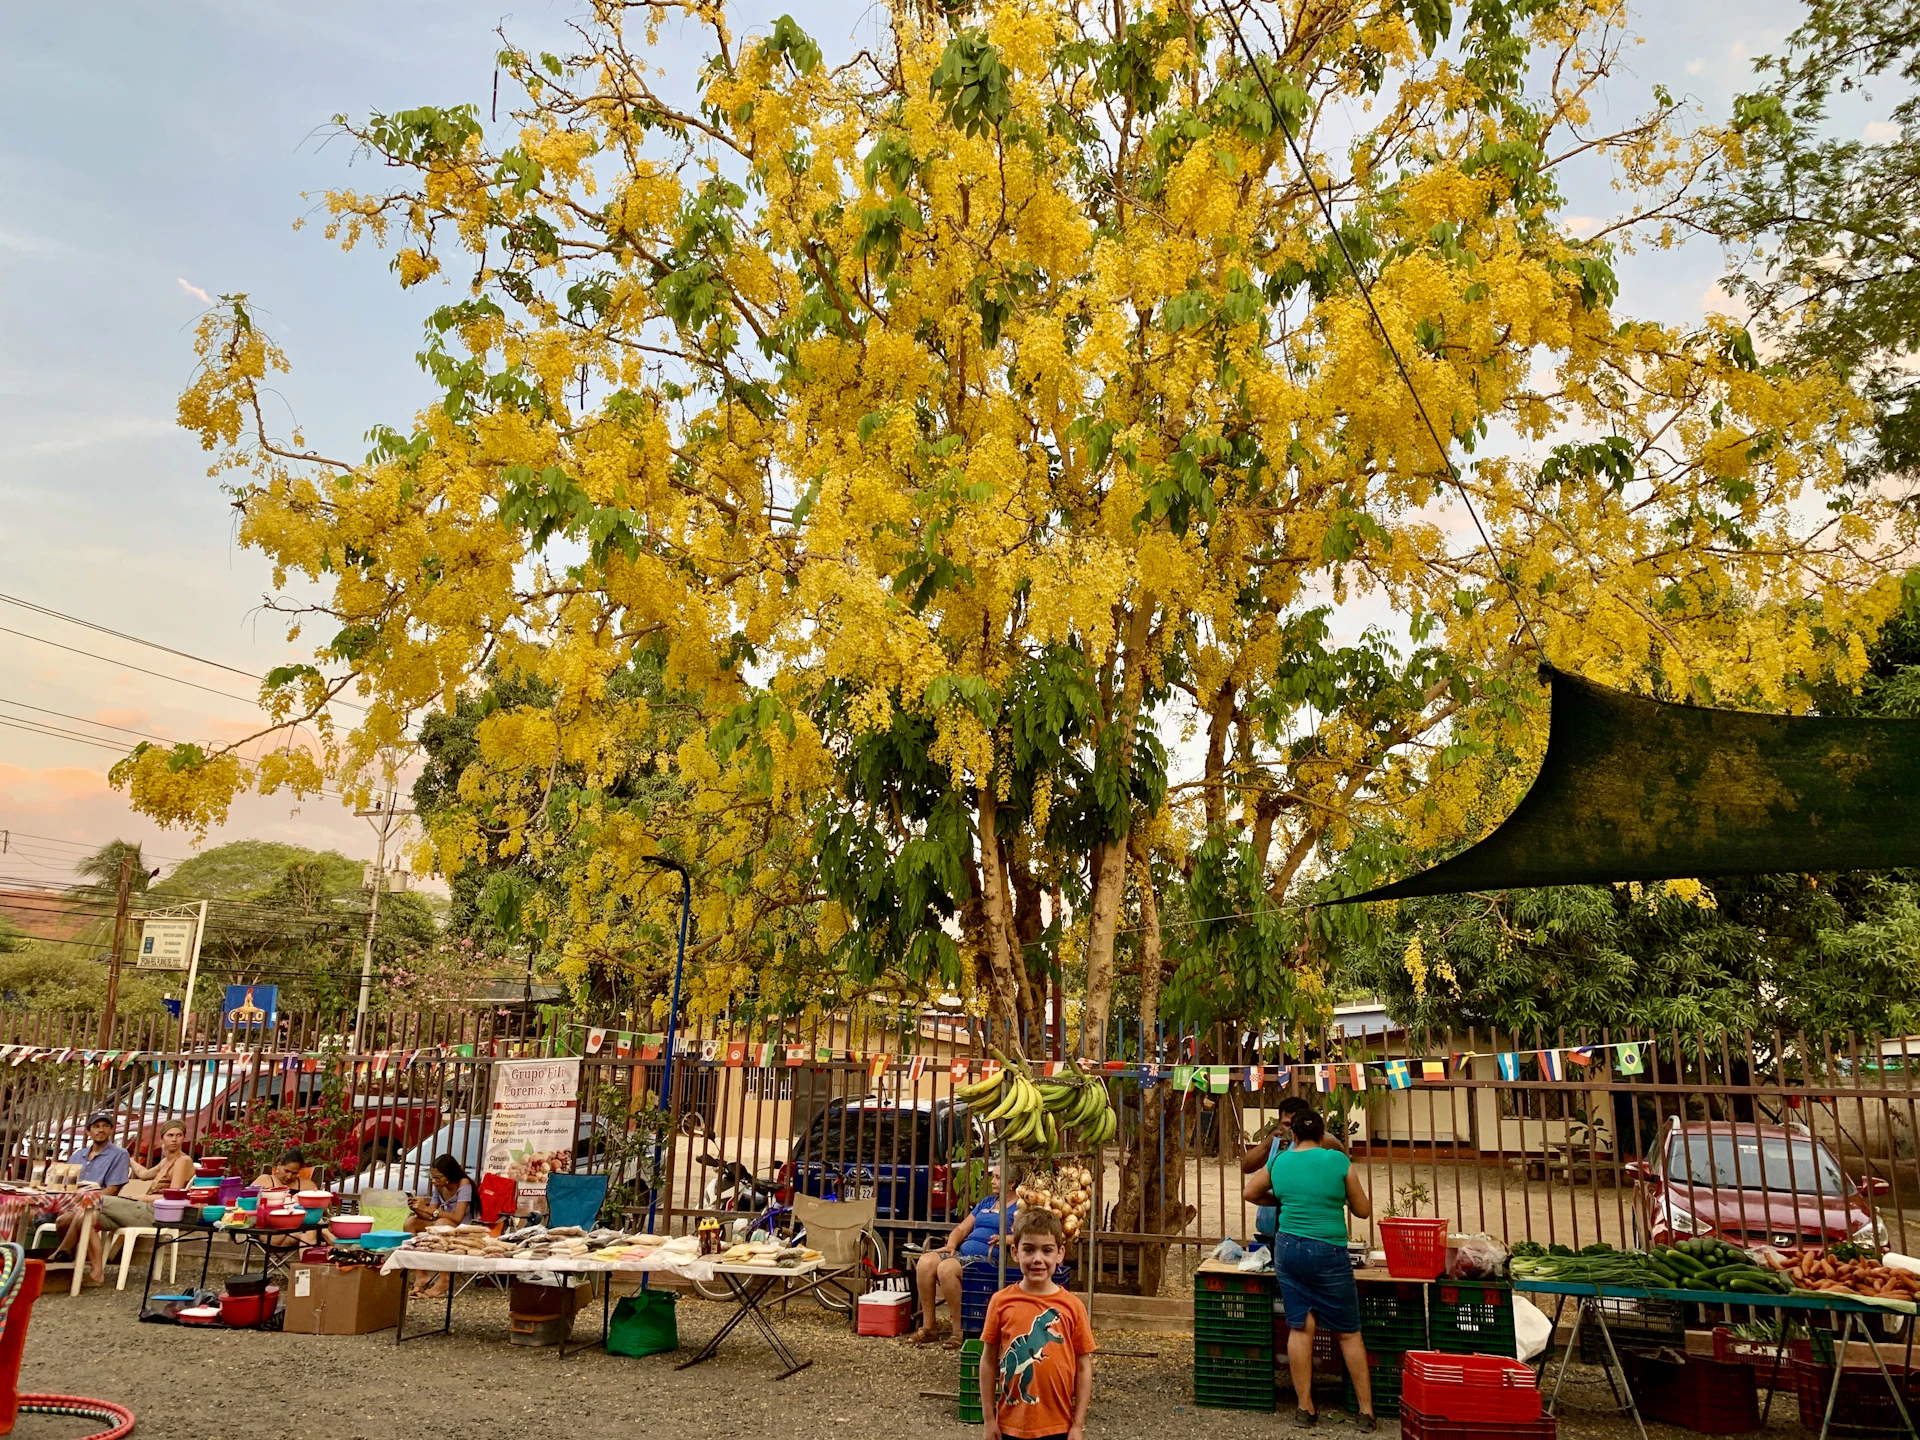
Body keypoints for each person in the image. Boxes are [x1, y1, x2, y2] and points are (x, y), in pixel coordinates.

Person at [1243, 1107, 1375, 1431]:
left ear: (1294, 1136)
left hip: (1288, 1249)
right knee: (1348, 1331)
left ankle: (1305, 1408)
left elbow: (1249, 1191)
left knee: (1300, 1326)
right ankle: (1366, 1413)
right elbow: (1363, 1210)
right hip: (1328, 1250)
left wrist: (1283, 1201)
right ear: (1323, 1135)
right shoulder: (1338, 1161)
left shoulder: (1280, 1161)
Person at [979, 1209, 1095, 1440]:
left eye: (1047, 1250)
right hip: (1009, 1425)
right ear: (1015, 1252)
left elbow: (1084, 1366)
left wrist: (1078, 1424)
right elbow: (988, 1360)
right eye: (1029, 1250)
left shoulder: (1072, 1306)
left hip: (1059, 1426)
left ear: (1060, 1254)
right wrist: (989, 1419)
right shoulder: (1001, 1301)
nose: (1037, 1259)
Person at [910, 1164, 1018, 1348]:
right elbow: (961, 1228)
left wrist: (1007, 1238)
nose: (993, 1181)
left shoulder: (1019, 1207)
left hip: (989, 1260)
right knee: (925, 1262)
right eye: (993, 1176)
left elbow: (1025, 1235)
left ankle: (959, 1331)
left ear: (1012, 1183)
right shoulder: (986, 1203)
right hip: (963, 1255)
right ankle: (930, 1327)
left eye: (998, 1177)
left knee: (946, 1268)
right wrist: (951, 1244)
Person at [47, 1111, 132, 1284]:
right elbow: (66, 1183)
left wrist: (86, 1201)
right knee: (63, 1220)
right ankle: (69, 1263)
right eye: (96, 1126)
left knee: (81, 1216)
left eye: (105, 1126)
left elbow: (113, 1189)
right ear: (88, 1131)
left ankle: (62, 1253)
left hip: (101, 1203)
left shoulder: (119, 1154)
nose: (100, 1130)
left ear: (111, 1130)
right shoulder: (78, 1155)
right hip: (75, 1203)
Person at [95, 1120, 195, 1248]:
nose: (174, 1139)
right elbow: (143, 1174)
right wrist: (127, 1158)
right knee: (89, 1217)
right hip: (146, 1208)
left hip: (158, 1212)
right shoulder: (166, 1161)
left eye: (178, 1135)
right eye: (170, 1135)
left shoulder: (183, 1160)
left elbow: (173, 1197)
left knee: (99, 1200)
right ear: (162, 1139)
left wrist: (142, 1198)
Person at [1241, 1095, 1312, 1253]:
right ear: (1280, 1124)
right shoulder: (1276, 1143)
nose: (1291, 1130)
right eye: (1287, 1124)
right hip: (1269, 1232)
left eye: (1295, 1124)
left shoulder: (1314, 1147)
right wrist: (1267, 1144)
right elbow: (1246, 1166)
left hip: (1298, 1232)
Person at [405, 1154, 475, 1300]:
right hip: (441, 1225)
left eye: (438, 1177)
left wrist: (431, 1210)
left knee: (441, 1224)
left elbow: (457, 1217)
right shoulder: (439, 1186)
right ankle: (421, 1275)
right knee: (411, 1222)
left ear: (449, 1175)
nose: (434, 1180)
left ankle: (445, 1279)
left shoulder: (464, 1184)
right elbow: (430, 1215)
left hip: (462, 1229)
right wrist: (418, 1208)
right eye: (432, 1177)